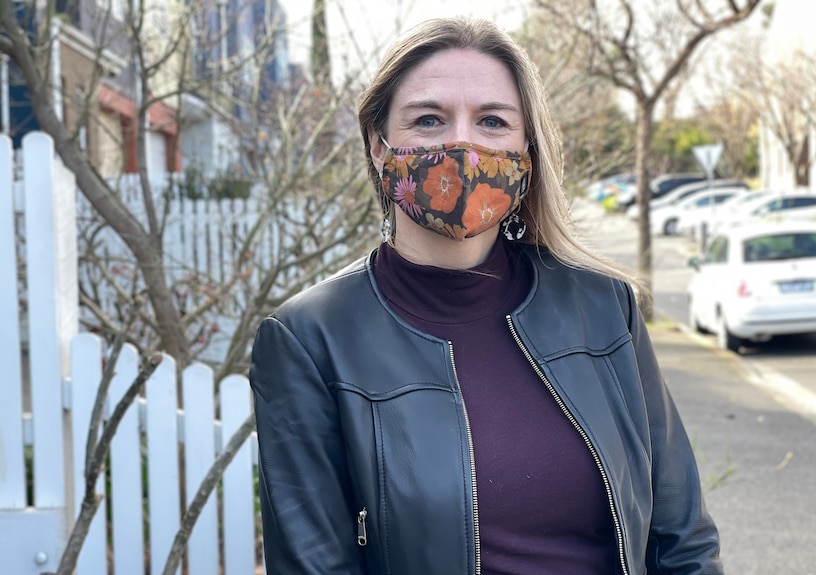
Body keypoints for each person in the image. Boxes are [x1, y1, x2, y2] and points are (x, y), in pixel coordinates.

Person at [250, 16, 722, 575]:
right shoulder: (310, 339)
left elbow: (681, 539)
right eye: (429, 119)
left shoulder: (605, 308)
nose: (462, 146)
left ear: (527, 149)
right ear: (379, 147)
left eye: (492, 121)